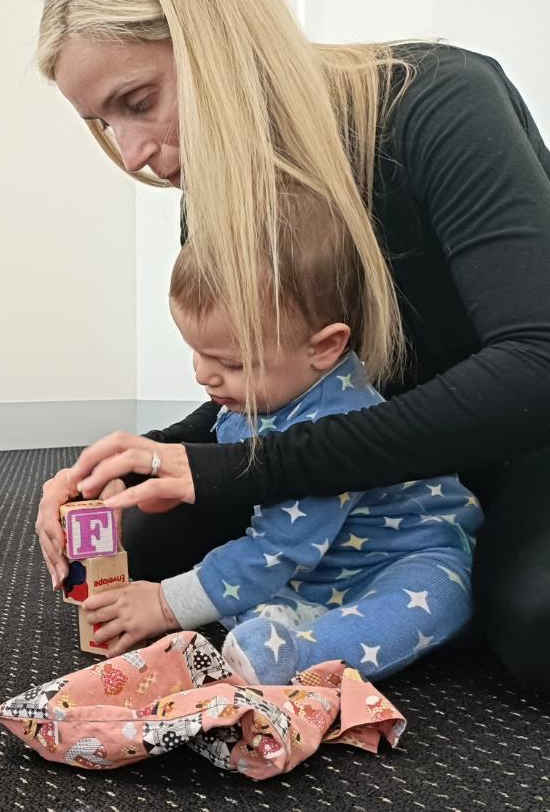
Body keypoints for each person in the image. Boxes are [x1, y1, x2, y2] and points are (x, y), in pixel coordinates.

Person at [32, 0, 550, 688]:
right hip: (370, 469)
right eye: (105, 123)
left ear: (218, 35)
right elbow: (271, 384)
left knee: (535, 619)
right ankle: (403, 587)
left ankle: (442, 574)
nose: (132, 151)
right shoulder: (219, 191)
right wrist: (134, 460)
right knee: (131, 538)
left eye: (138, 100)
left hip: (516, 439)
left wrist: (239, 470)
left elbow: (533, 366)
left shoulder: (442, 101)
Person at [82, 191, 481, 683]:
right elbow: (234, 478)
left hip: (407, 559)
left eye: (232, 363)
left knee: (432, 600)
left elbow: (277, 549)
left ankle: (299, 657)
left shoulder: (336, 424)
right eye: (197, 351)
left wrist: (166, 604)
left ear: (325, 347)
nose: (204, 377)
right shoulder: (261, 396)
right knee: (238, 581)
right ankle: (280, 630)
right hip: (320, 567)